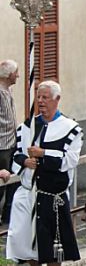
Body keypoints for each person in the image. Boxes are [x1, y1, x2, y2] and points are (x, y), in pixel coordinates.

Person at [7, 81, 83, 265]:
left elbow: (69, 161)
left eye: (45, 97)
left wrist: (43, 154)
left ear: (57, 99)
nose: (40, 101)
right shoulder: (28, 126)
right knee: (30, 252)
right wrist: (25, 161)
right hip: (29, 196)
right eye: (38, 97)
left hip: (53, 198)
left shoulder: (71, 128)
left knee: (53, 253)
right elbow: (15, 154)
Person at [0, 60, 19, 224]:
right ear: (8, 75)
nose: (18, 75)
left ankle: (8, 214)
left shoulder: (8, 91)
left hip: (12, 143)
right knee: (2, 182)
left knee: (14, 179)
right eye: (16, 72)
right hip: (2, 146)